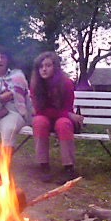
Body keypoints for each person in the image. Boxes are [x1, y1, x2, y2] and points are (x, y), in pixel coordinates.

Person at [30, 51, 84, 184]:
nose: (44, 69)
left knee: (63, 123)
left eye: (48, 65)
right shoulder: (36, 85)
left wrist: (67, 115)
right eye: (41, 66)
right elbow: (40, 111)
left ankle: (69, 168)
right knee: (39, 121)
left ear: (55, 67)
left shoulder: (66, 83)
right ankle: (43, 166)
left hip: (63, 119)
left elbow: (67, 108)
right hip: (46, 118)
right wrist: (68, 115)